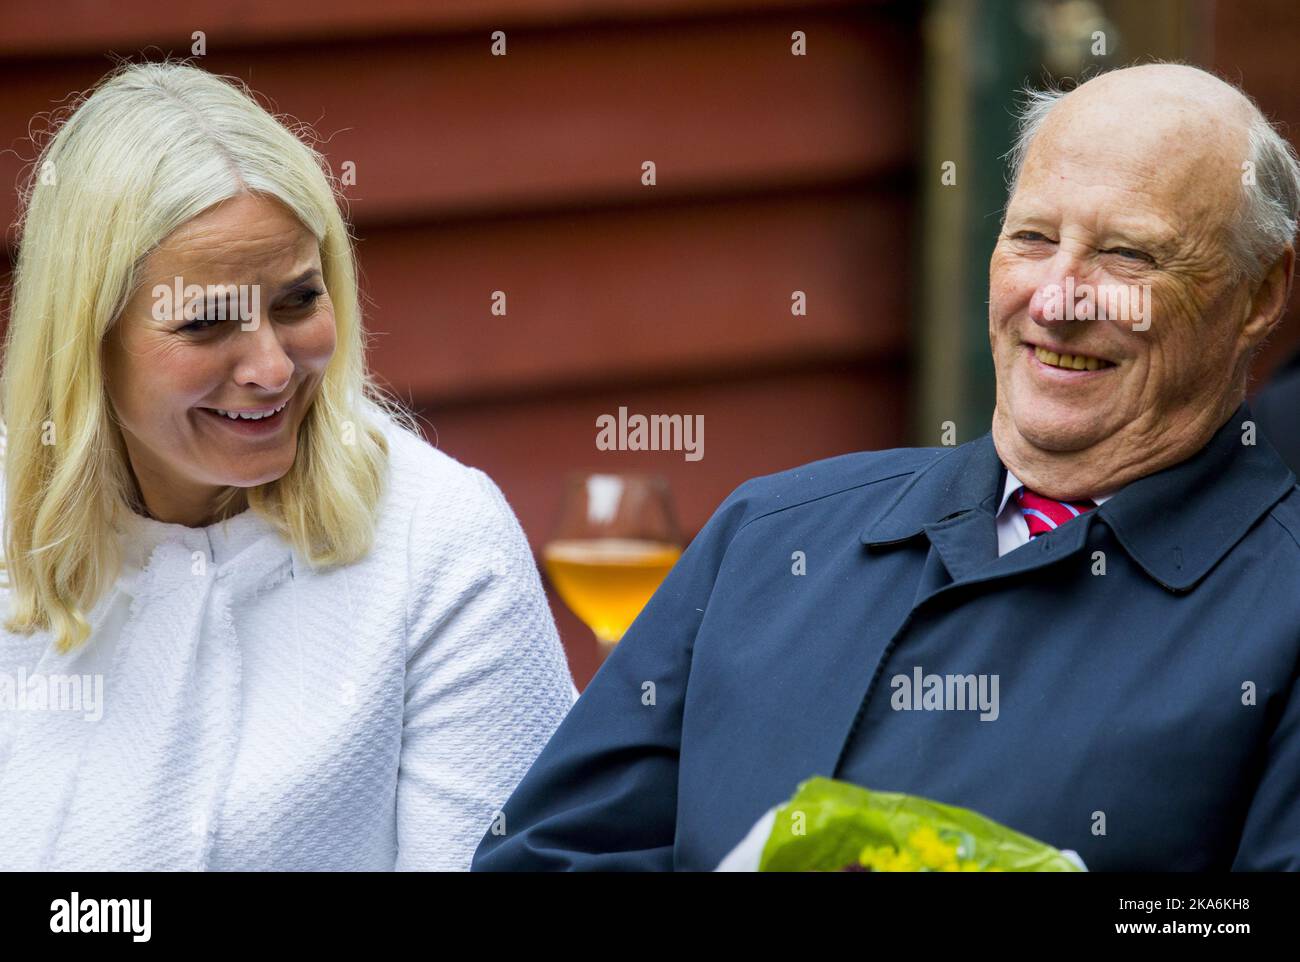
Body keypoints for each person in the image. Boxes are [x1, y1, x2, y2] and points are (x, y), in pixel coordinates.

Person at [472, 62, 1300, 872]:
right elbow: (545, 856)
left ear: (1261, 295)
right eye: (1032, 239)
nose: (1056, 300)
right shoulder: (769, 534)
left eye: (1128, 256)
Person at [0, 60, 577, 871]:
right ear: (85, 339)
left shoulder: (440, 541)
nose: (271, 368)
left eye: (298, 301)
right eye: (206, 322)